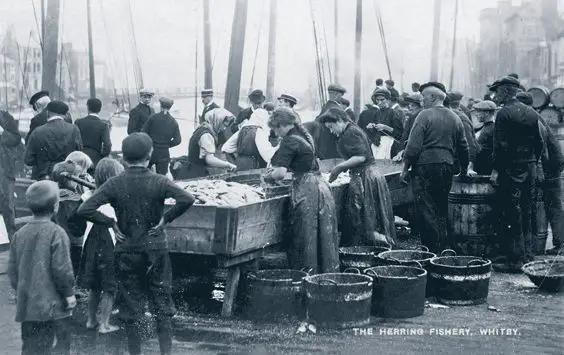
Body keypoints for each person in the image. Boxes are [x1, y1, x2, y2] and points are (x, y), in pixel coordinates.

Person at [77, 132, 196, 355]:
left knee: (130, 308)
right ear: (150, 155)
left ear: (124, 158)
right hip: (155, 248)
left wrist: (111, 222)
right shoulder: (159, 180)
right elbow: (187, 199)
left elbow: (85, 209)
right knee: (163, 307)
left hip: (127, 250)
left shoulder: (115, 183)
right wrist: (165, 219)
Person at [264, 108, 339, 273]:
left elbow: (280, 173)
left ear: (281, 125)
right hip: (320, 185)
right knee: (322, 236)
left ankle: (305, 275)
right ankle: (324, 275)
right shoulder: (304, 135)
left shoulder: (289, 140)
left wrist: (268, 177)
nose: (276, 133)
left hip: (306, 189)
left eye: (275, 129)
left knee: (305, 235)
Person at [7, 180, 76, 355]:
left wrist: (21, 290)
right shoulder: (57, 232)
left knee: (31, 348)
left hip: (29, 307)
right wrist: (69, 294)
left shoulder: (19, 234)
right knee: (60, 346)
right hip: (54, 307)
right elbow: (62, 269)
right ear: (55, 207)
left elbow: (12, 270)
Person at [401, 82, 469, 252]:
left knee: (426, 209)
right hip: (446, 166)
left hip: (424, 167)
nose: (422, 101)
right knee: (442, 208)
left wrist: (404, 168)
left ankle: (431, 251)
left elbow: (413, 146)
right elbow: (464, 146)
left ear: (432, 97)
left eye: (423, 97)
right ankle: (445, 249)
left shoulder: (424, 116)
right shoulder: (455, 117)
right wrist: (464, 168)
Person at [489, 76, 543, 272]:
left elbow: (500, 145)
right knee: (527, 211)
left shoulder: (504, 113)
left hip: (510, 168)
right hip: (528, 167)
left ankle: (514, 261)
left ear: (504, 92)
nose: (495, 95)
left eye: (497, 92)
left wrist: (495, 169)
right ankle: (529, 256)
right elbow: (538, 143)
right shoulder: (531, 112)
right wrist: (533, 163)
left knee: (511, 213)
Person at [320, 108, 396, 247]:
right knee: (370, 216)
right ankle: (377, 246)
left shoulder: (350, 133)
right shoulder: (353, 129)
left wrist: (338, 168)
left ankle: (364, 248)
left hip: (364, 176)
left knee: (361, 216)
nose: (331, 131)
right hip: (371, 174)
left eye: (331, 127)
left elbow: (360, 157)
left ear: (340, 120)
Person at [80, 158, 124, 334]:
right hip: (108, 241)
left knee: (94, 286)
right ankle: (104, 324)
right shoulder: (116, 196)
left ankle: (91, 320)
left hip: (91, 241)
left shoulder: (91, 195)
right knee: (109, 286)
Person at [170, 108, 236, 180]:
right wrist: (228, 164)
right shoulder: (206, 135)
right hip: (196, 173)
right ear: (217, 120)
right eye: (223, 125)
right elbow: (209, 159)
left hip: (190, 169)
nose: (224, 128)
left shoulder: (202, 128)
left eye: (226, 126)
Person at [25, 100, 83, 180]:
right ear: (65, 115)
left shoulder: (37, 131)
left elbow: (28, 159)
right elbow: (79, 154)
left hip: (44, 176)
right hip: (67, 176)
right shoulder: (74, 129)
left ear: (48, 113)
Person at [51, 161, 87, 277]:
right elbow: (79, 225)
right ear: (68, 179)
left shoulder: (51, 197)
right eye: (76, 177)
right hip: (73, 242)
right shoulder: (75, 200)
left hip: (56, 240)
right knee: (73, 271)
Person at [304, 84, 348, 159]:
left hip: (322, 146)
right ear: (336, 95)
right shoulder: (336, 109)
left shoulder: (326, 107)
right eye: (341, 95)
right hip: (332, 145)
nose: (341, 98)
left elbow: (317, 122)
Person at [142, 97, 182, 175]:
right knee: (162, 178)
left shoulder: (153, 118)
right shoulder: (173, 122)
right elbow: (178, 140)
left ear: (161, 106)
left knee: (145, 175)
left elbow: (143, 133)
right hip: (164, 153)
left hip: (151, 151)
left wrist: (150, 143)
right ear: (170, 107)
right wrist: (166, 145)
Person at [361, 88, 404, 160]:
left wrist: (385, 127)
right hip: (377, 144)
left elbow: (399, 133)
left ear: (387, 100)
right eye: (377, 100)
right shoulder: (377, 113)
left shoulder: (393, 113)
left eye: (382, 100)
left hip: (389, 144)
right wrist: (371, 127)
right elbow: (375, 132)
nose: (379, 102)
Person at [0, 110, 22, 242]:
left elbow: (16, 138)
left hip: (4, 169)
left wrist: (3, 133)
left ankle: (12, 238)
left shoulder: (5, 117)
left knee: (7, 204)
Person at [74, 98, 112, 169]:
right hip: (95, 159)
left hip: (79, 157)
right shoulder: (103, 125)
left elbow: (73, 140)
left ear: (88, 108)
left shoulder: (78, 122)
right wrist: (101, 156)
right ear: (100, 109)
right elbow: (107, 145)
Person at [447, 91, 478, 174]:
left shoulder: (461, 119)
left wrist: (469, 167)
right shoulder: (454, 117)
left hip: (459, 166)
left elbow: (470, 144)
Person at [467, 100, 497, 176]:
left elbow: (480, 150)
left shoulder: (490, 130)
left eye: (478, 112)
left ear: (486, 113)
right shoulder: (486, 127)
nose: (476, 114)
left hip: (484, 171)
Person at [392, 92, 424, 162]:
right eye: (409, 105)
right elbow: (404, 137)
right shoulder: (410, 119)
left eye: (413, 106)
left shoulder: (426, 119)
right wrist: (399, 152)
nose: (410, 108)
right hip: (408, 155)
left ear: (421, 107)